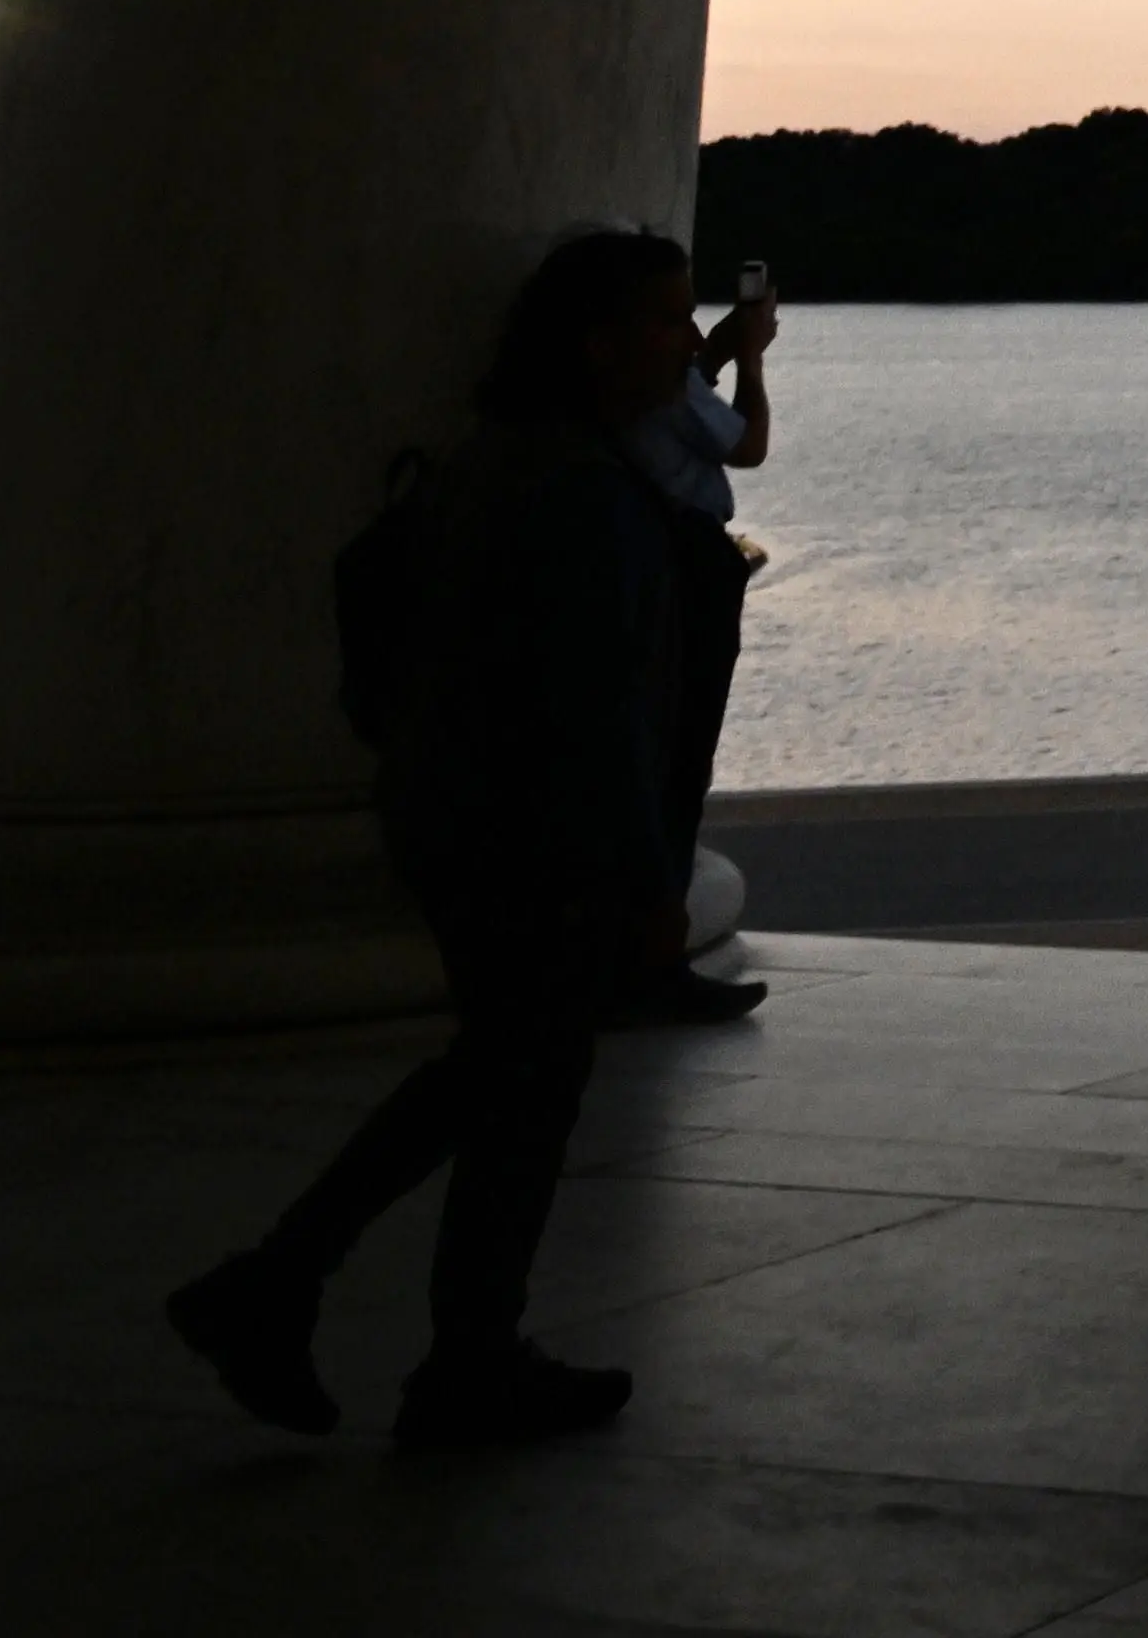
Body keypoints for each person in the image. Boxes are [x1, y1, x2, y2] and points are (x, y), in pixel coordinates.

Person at [165, 232, 702, 1447]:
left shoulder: (489, 463)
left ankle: (341, 1305)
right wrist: (647, 876)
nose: (689, 340)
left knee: (497, 1073)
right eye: (667, 320)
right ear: (598, 343)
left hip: (457, 820)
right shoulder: (580, 490)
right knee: (525, 1083)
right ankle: (428, 1343)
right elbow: (599, 706)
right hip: (534, 843)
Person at [614, 256, 775, 1026]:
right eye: (673, 318)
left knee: (659, 759)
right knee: (682, 759)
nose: (687, 332)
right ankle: (657, 957)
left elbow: (683, 407)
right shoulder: (661, 387)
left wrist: (709, 354)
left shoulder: (617, 393)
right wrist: (748, 359)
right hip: (690, 562)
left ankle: (644, 949)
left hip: (659, 558)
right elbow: (747, 444)